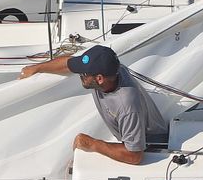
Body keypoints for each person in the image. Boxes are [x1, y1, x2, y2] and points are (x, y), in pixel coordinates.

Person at [18, 44, 166, 165]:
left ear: (99, 79)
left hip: (150, 145)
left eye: (83, 74)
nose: (80, 75)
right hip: (130, 131)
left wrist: (93, 144)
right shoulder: (110, 72)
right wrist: (37, 68)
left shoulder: (126, 105)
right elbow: (68, 63)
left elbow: (135, 156)